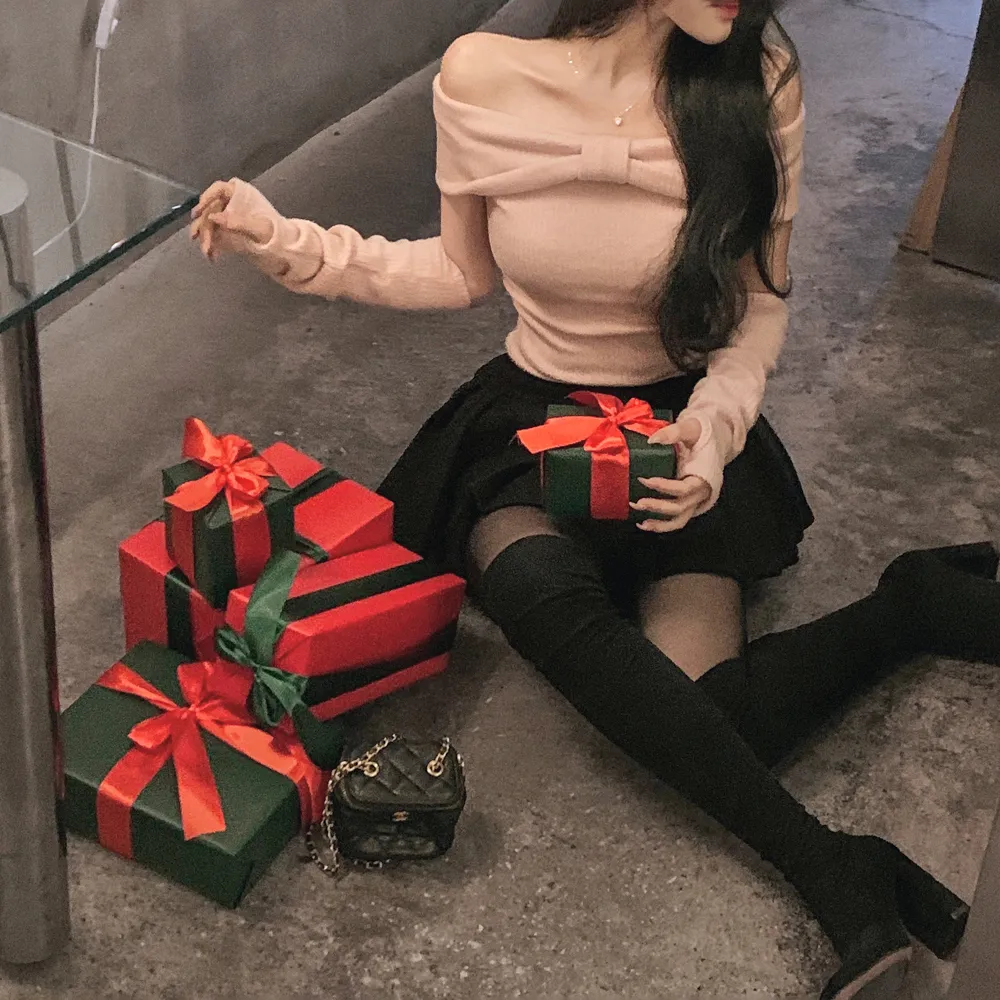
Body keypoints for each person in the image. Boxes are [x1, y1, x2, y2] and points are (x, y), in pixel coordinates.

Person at [190, 1, 1000, 996]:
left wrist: (714, 430)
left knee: (713, 720)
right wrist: (285, 242)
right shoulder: (485, 74)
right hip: (529, 425)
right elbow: (457, 269)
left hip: (676, 426)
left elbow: (758, 304)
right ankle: (830, 866)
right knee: (538, 586)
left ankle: (908, 606)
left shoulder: (756, 82)